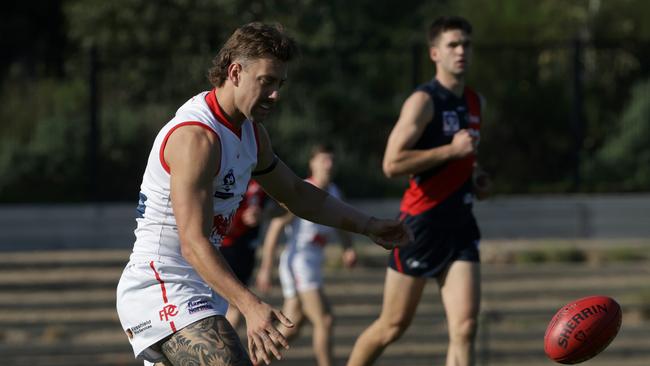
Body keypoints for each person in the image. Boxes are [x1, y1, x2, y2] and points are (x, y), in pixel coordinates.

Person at [115, 22, 411, 366]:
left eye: (280, 84)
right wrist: (251, 306)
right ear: (235, 72)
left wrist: (368, 225)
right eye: (267, 81)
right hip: (162, 283)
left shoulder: (252, 136)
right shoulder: (197, 138)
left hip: (201, 287)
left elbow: (298, 193)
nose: (276, 94)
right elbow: (192, 243)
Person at [347, 16, 490, 366]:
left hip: (460, 225)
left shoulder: (475, 102)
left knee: (466, 327)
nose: (461, 51)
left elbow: (464, 160)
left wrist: (477, 176)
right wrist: (451, 152)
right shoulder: (423, 101)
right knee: (392, 326)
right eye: (453, 45)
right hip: (420, 225)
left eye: (466, 44)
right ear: (434, 53)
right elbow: (392, 163)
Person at [255, 144, 357, 366]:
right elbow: (275, 229)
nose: (328, 165)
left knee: (292, 326)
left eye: (331, 160)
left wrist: (348, 248)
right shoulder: (302, 191)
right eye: (323, 160)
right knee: (325, 320)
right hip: (299, 264)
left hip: (312, 264)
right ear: (312, 164)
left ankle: (252, 362)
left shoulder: (335, 192)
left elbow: (343, 223)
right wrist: (265, 268)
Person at [220, 179, 267, 329]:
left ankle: (225, 349)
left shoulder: (264, 175)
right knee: (228, 304)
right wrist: (239, 217)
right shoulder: (225, 169)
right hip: (223, 246)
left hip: (245, 248)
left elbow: (278, 208)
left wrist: (262, 214)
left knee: (236, 306)